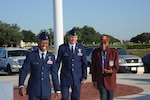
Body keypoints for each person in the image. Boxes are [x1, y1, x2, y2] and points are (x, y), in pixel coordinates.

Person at [19, 32, 61, 100]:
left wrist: (58, 90)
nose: (44, 45)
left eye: (46, 43)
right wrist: (21, 85)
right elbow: (24, 70)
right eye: (42, 42)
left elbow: (54, 74)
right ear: (38, 43)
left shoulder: (51, 57)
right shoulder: (31, 55)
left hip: (46, 91)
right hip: (34, 90)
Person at [56, 28, 87, 100]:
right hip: (65, 77)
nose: (73, 39)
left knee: (76, 97)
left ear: (77, 38)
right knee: (64, 97)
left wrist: (84, 76)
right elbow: (58, 62)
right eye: (71, 37)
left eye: (75, 37)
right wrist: (54, 73)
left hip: (77, 77)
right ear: (68, 37)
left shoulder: (81, 48)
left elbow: (84, 63)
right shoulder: (62, 48)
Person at [91, 35, 119, 100]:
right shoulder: (96, 52)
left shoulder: (114, 52)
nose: (103, 45)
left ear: (108, 43)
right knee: (103, 96)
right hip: (100, 79)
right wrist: (94, 80)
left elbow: (116, 67)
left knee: (110, 97)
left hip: (110, 79)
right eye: (101, 43)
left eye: (105, 43)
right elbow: (93, 68)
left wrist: (111, 71)